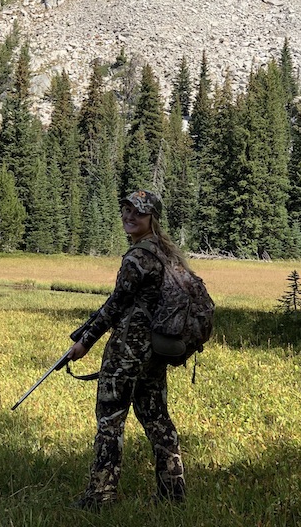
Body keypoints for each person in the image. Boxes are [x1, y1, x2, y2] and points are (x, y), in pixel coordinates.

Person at [68, 189, 187, 510]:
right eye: (126, 209)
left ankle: (100, 497)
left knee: (110, 420)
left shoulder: (137, 257)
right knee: (157, 419)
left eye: (139, 212)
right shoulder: (165, 253)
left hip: (127, 350)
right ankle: (173, 493)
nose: (130, 216)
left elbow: (116, 306)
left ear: (152, 218)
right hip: (155, 351)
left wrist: (84, 342)